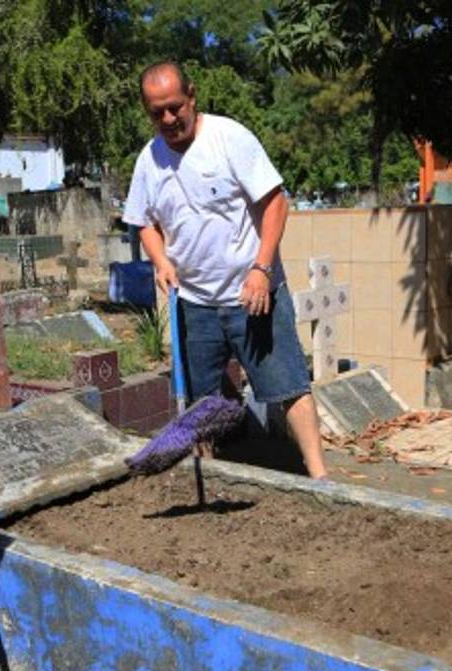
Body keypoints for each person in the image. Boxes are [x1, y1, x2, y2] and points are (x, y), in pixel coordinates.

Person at [123, 60, 328, 479]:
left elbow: (275, 202)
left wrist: (261, 268)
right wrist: (160, 260)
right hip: (196, 302)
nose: (168, 118)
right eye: (156, 112)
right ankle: (208, 474)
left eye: (175, 107)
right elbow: (143, 221)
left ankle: (321, 475)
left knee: (288, 384)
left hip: (253, 292)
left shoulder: (229, 138)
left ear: (192, 97)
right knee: (201, 400)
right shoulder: (149, 160)